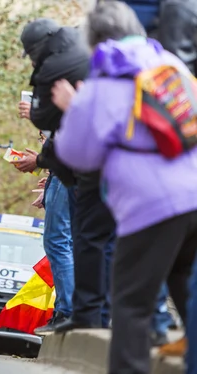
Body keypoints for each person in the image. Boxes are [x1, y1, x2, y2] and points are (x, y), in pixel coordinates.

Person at [54, 2, 197, 373]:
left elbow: (77, 154)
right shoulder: (171, 65)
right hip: (193, 195)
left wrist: (74, 107)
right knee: (183, 279)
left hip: (150, 207)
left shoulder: (106, 80)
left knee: (131, 303)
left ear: (95, 39)